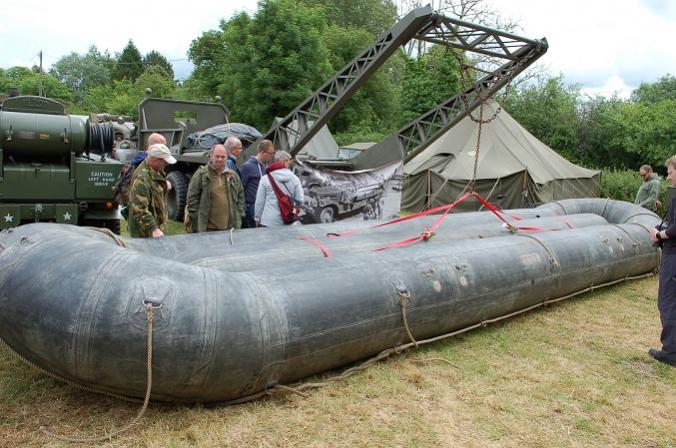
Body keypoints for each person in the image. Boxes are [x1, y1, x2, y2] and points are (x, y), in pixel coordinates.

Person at [648, 155, 676, 367]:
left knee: (668, 301)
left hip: (673, 256)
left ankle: (670, 351)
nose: (668, 177)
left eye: (670, 172)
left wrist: (660, 235)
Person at [185, 144, 245, 233]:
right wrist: (197, 217)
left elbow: (241, 195)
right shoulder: (201, 175)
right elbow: (192, 198)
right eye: (217, 156)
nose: (220, 159)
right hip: (207, 229)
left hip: (229, 228)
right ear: (211, 156)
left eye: (223, 157)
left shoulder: (233, 175)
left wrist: (239, 214)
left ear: (227, 157)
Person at [128, 143, 177, 238]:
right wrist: (154, 229)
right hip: (144, 232)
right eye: (165, 161)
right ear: (155, 160)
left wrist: (165, 186)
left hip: (156, 227)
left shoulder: (156, 170)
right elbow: (139, 209)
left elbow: (154, 188)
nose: (167, 164)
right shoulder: (142, 178)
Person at [255, 150, 304, 227]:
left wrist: (257, 218)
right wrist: (293, 214)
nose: (289, 165)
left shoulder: (265, 179)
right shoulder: (295, 179)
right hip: (289, 222)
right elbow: (299, 200)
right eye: (288, 162)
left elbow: (260, 202)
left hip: (268, 222)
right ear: (284, 162)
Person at [240, 139, 275, 227]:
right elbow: (240, 188)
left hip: (264, 207)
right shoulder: (247, 167)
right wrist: (244, 208)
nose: (272, 156)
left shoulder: (265, 166)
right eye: (271, 153)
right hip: (251, 207)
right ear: (262, 152)